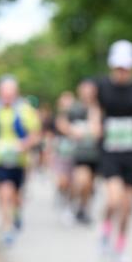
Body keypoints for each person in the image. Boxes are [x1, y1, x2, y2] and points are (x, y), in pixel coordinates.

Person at [92, 40, 132, 262]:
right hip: (110, 151)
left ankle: (120, 247)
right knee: (113, 199)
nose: (121, 72)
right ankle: (105, 229)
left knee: (127, 206)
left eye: (125, 68)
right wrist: (96, 124)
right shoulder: (103, 86)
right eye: (118, 67)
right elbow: (97, 111)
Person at [0, 75, 41, 245]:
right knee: (4, 192)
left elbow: (35, 135)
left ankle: (17, 212)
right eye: (4, 92)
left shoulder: (25, 110)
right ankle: (7, 228)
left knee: (16, 195)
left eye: (11, 92)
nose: (7, 95)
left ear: (16, 92)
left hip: (20, 161)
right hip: (0, 160)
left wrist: (24, 145)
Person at [58, 78, 100, 225]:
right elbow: (61, 122)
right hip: (78, 153)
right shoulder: (73, 108)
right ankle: (72, 204)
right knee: (81, 180)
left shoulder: (98, 108)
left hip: (95, 153)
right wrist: (72, 131)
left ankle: (83, 208)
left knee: (89, 185)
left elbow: (100, 129)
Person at [52, 90, 77, 223]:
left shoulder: (77, 114)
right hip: (61, 152)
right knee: (63, 181)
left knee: (73, 182)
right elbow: (60, 129)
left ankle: (69, 205)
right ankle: (61, 195)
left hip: (75, 153)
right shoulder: (59, 116)